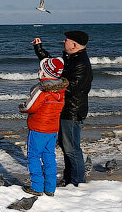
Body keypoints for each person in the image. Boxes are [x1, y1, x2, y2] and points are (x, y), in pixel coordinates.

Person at [31, 30, 93, 186]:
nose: (63, 42)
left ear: (74, 45)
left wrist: (49, 87)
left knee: (72, 149)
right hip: (65, 110)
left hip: (72, 112)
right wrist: (39, 49)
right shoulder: (71, 58)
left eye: (66, 40)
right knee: (67, 148)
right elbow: (53, 65)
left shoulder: (81, 64)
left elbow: (71, 88)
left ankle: (78, 181)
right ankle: (68, 178)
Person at [19, 57, 68, 196]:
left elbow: (30, 107)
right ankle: (50, 188)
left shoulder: (42, 90)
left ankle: (37, 187)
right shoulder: (61, 91)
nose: (39, 71)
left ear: (46, 74)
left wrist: (21, 107)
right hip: (52, 129)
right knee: (49, 157)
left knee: (33, 156)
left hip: (38, 128)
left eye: (41, 69)